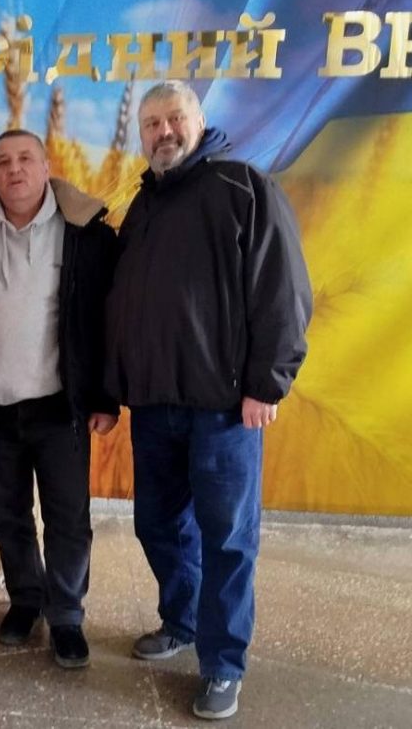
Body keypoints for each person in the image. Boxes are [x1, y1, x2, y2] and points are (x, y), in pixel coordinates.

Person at [105, 81, 312, 720]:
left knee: (228, 539)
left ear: (199, 121)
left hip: (225, 409)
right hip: (154, 406)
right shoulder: (141, 207)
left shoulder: (243, 188)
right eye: (151, 123)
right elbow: (121, 306)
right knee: (157, 524)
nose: (163, 132)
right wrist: (114, 388)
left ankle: (223, 665)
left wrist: (266, 383)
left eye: (174, 118)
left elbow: (283, 290)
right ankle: (182, 620)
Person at [0, 129, 118, 670]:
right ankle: (26, 598)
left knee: (68, 517)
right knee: (7, 514)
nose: (14, 170)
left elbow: (105, 321)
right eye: (3, 161)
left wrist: (105, 397)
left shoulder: (86, 235)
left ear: (47, 168)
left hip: (59, 404)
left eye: (26, 159)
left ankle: (66, 614)